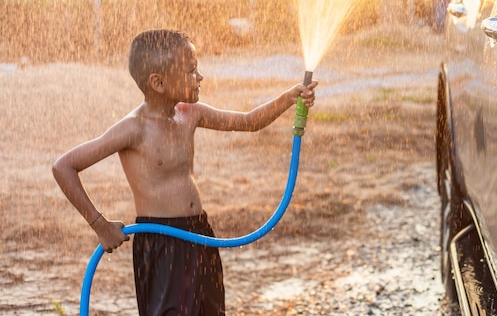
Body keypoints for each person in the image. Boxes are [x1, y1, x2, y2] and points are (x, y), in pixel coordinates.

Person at [52, 29, 317, 316]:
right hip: (161, 242)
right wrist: (100, 225)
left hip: (199, 234)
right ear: (158, 82)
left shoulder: (190, 113)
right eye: (191, 71)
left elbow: (249, 122)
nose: (200, 77)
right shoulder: (134, 128)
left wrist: (289, 98)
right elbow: (64, 167)